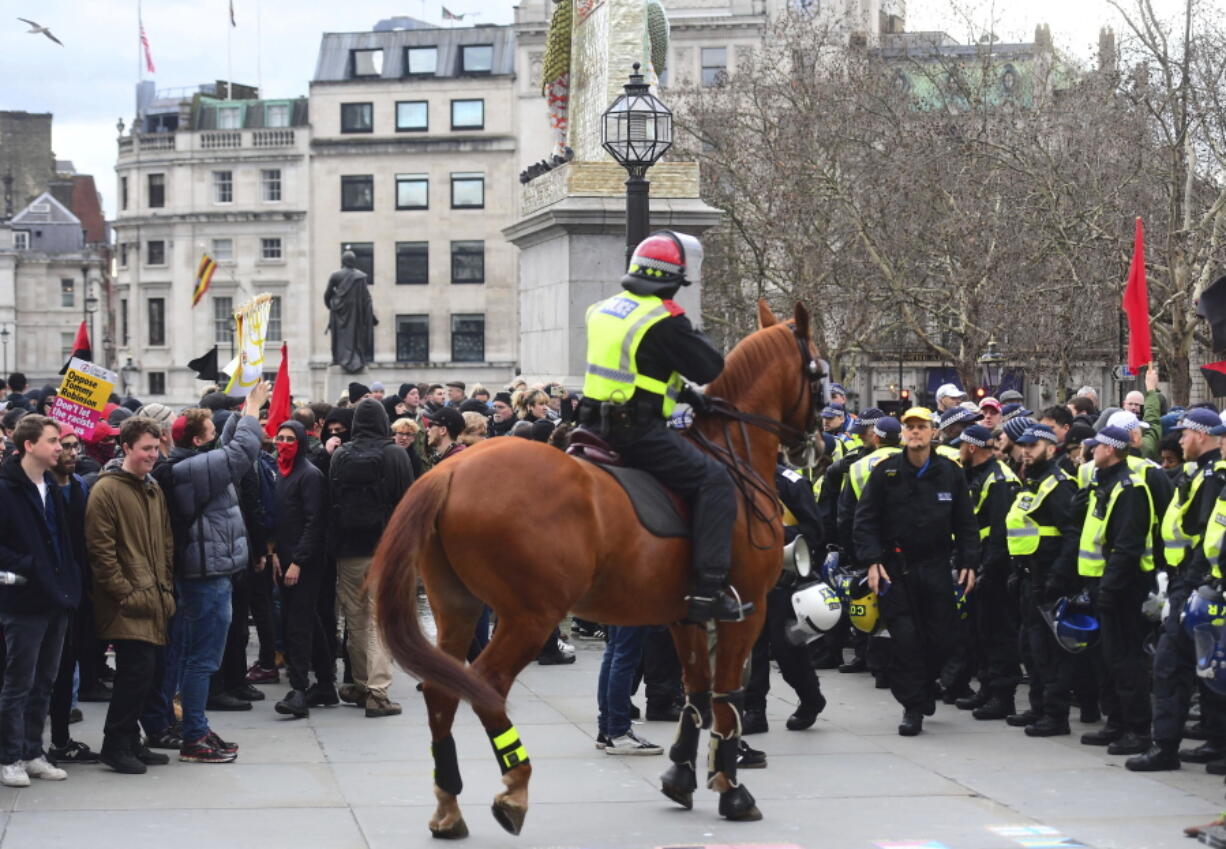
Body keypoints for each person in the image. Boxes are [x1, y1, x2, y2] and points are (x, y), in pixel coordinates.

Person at [577, 231, 749, 623]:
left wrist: (686, 395)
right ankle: (708, 589)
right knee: (714, 480)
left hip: (590, 424)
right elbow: (709, 366)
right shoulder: (663, 319)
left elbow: (641, 369)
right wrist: (685, 322)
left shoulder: (601, 309)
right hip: (636, 431)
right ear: (672, 281)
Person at [854, 407, 979, 736]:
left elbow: (966, 523)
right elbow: (865, 520)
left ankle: (925, 686)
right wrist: (872, 561)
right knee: (905, 639)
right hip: (896, 569)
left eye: (922, 427)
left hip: (936, 566)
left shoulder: (950, 473)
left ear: (932, 432)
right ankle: (912, 705)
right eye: (910, 427)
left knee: (942, 639)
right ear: (903, 433)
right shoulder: (885, 472)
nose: (915, 432)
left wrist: (969, 562)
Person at [162, 382, 269, 763]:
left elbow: (225, 445)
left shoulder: (192, 461)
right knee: (202, 660)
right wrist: (253, 408)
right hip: (205, 579)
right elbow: (239, 452)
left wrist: (241, 412)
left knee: (195, 656)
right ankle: (193, 736)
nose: (214, 436)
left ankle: (197, 727)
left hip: (211, 575)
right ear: (195, 441)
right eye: (208, 431)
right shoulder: (190, 470)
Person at [1127, 408, 1226, 771]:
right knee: (1207, 663)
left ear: (1202, 436)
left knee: (1172, 665)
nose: (1180, 440)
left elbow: (1206, 541)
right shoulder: (1202, 474)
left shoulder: (1213, 476)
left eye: (1185, 434)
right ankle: (1215, 741)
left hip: (1199, 582)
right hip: (1195, 579)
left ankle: (1165, 747)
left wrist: (1190, 589)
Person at [85, 417, 177, 774]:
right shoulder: (107, 490)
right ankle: (115, 744)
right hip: (128, 601)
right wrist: (124, 592)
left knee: (147, 675)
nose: (153, 455)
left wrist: (165, 585)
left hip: (153, 596)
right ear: (126, 449)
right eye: (146, 449)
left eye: (156, 448)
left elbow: (165, 542)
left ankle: (129, 741)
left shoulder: (152, 488)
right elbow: (101, 551)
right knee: (134, 674)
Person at [0, 415, 82, 786]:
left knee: (45, 681)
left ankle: (34, 751)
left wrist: (67, 579)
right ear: (29, 445)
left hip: (57, 596)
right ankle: (10, 756)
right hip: (23, 598)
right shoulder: (6, 488)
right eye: (53, 441)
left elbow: (62, 539)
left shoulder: (52, 484)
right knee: (19, 681)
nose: (60, 448)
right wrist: (30, 566)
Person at [329, 398, 415, 717]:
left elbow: (331, 499)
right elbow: (407, 503)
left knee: (355, 618)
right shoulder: (395, 453)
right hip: (385, 548)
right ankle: (378, 693)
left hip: (348, 548)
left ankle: (361, 682)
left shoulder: (340, 454)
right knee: (382, 618)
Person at [1076, 424, 1154, 756]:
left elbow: (1126, 546)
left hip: (1123, 587)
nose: (1092, 453)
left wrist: (1109, 588)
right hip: (1102, 582)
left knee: (1127, 660)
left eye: (1096, 448)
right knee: (1110, 659)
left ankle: (1137, 729)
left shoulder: (1129, 490)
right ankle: (1117, 722)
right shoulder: (1103, 484)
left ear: (1109, 450)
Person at [1006, 424, 1082, 737]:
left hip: (1049, 578)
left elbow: (1072, 535)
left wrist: (1057, 577)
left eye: (1033, 446)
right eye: (1023, 446)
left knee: (1049, 652)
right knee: (1030, 648)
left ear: (1051, 449)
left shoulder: (1058, 485)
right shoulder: (1034, 482)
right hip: (1029, 576)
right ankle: (1038, 707)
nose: (1025, 451)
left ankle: (1055, 714)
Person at [744, 462, 828, 734]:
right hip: (749, 580)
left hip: (786, 581)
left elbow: (814, 531)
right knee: (751, 650)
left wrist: (772, 532)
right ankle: (754, 711)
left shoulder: (792, 483)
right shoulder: (736, 478)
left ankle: (811, 699)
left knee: (787, 650)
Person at [952, 424, 1021, 720]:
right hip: (976, 567)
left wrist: (988, 570)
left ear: (971, 448)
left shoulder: (1000, 480)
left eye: (960, 446)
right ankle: (987, 688)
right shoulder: (974, 475)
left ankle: (1002, 697)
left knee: (998, 634)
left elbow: (1000, 532)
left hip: (994, 570)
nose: (957, 451)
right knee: (980, 633)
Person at [270, 420, 332, 718]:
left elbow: (314, 522)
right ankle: (326, 682)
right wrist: (274, 553)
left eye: (289, 439)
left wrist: (297, 561)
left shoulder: (309, 475)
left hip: (304, 562)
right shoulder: (281, 473)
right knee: (309, 620)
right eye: (279, 438)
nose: (283, 443)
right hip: (285, 557)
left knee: (297, 624)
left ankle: (299, 689)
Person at [46, 423, 99, 765]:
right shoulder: (37, 489)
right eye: (63, 445)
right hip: (47, 593)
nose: (71, 451)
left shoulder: (80, 485)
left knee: (67, 670)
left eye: (74, 445)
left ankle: (61, 740)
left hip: (78, 590)